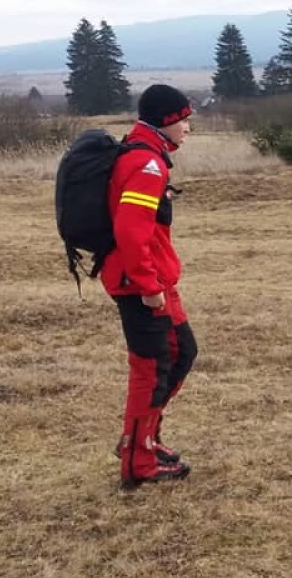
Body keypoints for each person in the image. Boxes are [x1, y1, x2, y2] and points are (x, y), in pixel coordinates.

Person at [105, 84, 196, 489]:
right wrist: (147, 285)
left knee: (182, 352)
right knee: (151, 370)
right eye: (183, 120)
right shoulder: (147, 165)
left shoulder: (148, 156)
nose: (188, 128)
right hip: (140, 285)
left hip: (156, 279)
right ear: (165, 121)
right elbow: (129, 230)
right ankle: (138, 461)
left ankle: (144, 437)